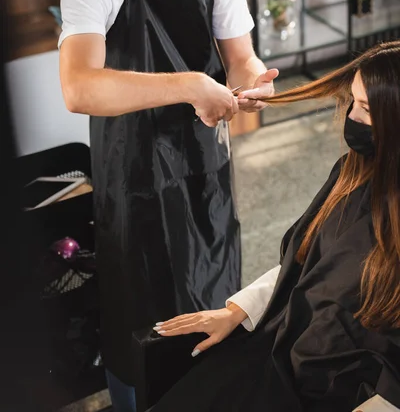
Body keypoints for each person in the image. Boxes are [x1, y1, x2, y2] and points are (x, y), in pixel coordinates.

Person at [58, 0, 278, 412]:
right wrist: (188, 86)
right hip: (131, 181)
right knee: (143, 328)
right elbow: (79, 87)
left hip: (204, 173)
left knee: (215, 315)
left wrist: (251, 83)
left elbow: (240, 58)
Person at [150, 41, 400, 412]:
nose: (351, 116)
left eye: (365, 108)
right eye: (352, 101)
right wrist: (237, 310)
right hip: (286, 348)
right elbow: (305, 263)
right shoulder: (352, 172)